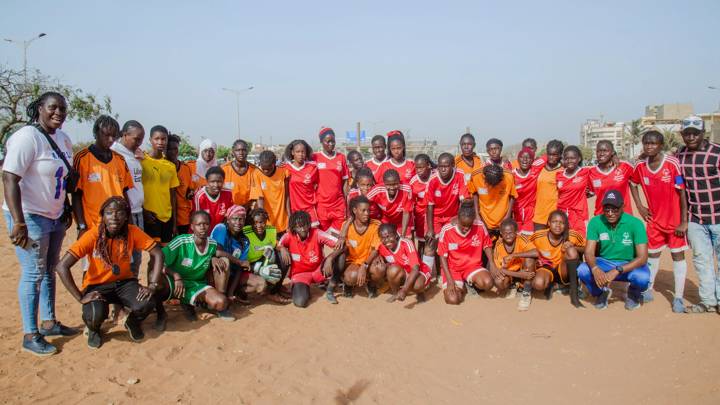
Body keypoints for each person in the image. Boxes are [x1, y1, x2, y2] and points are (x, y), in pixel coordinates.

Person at [3, 92, 79, 356]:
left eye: (62, 109)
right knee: (33, 273)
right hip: (30, 215)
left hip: (55, 215)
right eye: (52, 107)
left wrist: (66, 207)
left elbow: (65, 178)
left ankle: (49, 323)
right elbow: (10, 178)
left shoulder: (64, 139)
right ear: (39, 109)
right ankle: (30, 333)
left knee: (49, 269)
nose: (58, 112)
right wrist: (19, 222)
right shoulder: (27, 137)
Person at [55, 197, 163, 349]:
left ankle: (131, 321)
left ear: (126, 216)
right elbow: (62, 266)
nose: (114, 216)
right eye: (109, 212)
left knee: (147, 301)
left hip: (124, 283)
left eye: (119, 212)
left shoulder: (132, 232)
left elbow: (158, 253)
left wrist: (152, 285)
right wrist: (80, 297)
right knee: (94, 315)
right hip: (97, 286)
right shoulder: (93, 235)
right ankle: (94, 330)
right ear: (103, 216)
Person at [629, 130, 688, 312]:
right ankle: (649, 289)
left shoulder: (672, 163)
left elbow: (682, 191)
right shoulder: (640, 166)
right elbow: (632, 183)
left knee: (677, 256)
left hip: (674, 221)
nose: (649, 146)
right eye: (646, 143)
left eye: (653, 143)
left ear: (661, 145)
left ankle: (678, 297)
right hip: (654, 220)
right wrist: (639, 205)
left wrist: (683, 220)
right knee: (652, 255)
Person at [155, 210, 243, 322]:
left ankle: (188, 302)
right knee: (156, 278)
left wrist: (215, 258)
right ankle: (160, 313)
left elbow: (221, 253)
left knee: (221, 302)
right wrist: (175, 275)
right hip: (174, 281)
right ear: (192, 226)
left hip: (196, 285)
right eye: (198, 224)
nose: (202, 227)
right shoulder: (181, 241)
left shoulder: (212, 244)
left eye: (206, 224)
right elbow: (157, 261)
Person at [675, 116, 720, 314]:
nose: (691, 136)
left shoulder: (717, 154)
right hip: (696, 219)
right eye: (687, 133)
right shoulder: (680, 156)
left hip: (718, 216)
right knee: (702, 260)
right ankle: (708, 301)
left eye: (695, 133)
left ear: (704, 133)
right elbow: (680, 187)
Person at [577, 190, 650, 310]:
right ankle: (601, 293)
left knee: (642, 278)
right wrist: (595, 268)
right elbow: (589, 252)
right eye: (607, 209)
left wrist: (618, 270)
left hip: (628, 263)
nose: (610, 213)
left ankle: (633, 294)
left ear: (623, 207)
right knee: (582, 270)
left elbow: (642, 257)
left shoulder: (636, 223)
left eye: (615, 209)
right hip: (604, 262)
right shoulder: (595, 222)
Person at [72, 115, 133, 234]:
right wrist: (82, 226)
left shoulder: (120, 160)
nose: (111, 139)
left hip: (117, 225)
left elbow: (124, 193)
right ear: (96, 134)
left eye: (114, 136)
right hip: (93, 226)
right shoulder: (82, 158)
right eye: (106, 135)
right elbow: (76, 195)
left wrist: (128, 221)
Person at [211, 205, 283, 304]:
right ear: (228, 219)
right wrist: (239, 262)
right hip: (214, 272)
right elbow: (217, 252)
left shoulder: (244, 241)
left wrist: (231, 293)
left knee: (261, 284)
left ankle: (233, 294)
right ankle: (220, 300)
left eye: (241, 219)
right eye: (235, 219)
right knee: (225, 261)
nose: (238, 222)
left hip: (232, 274)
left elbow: (240, 268)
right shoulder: (221, 228)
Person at [512, 210, 585, 307]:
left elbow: (587, 248)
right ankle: (532, 289)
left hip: (563, 269)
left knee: (571, 251)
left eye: (562, 223)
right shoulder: (538, 236)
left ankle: (574, 289)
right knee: (538, 283)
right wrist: (535, 261)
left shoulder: (573, 235)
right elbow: (525, 249)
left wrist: (573, 247)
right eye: (554, 222)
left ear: (566, 225)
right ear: (549, 223)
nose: (558, 225)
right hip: (546, 267)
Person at [278, 210, 342, 307]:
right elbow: (278, 245)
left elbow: (341, 245)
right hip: (300, 275)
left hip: (320, 270)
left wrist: (330, 258)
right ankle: (302, 289)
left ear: (309, 224)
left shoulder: (317, 233)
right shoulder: (289, 236)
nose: (303, 229)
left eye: (305, 225)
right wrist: (282, 248)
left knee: (340, 256)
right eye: (299, 226)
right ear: (294, 228)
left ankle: (331, 286)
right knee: (300, 302)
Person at [437, 201, 497, 305]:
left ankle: (468, 283)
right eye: (463, 225)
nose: (466, 228)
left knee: (488, 283)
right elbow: (442, 257)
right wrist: (450, 280)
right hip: (453, 269)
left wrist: (492, 264)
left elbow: (487, 245)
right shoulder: (447, 230)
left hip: (472, 266)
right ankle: (462, 286)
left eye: (469, 225)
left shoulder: (479, 226)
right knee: (453, 299)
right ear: (457, 219)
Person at [111, 120, 146, 272]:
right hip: (125, 215)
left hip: (138, 212)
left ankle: (132, 287)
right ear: (125, 135)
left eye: (141, 140)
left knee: (136, 256)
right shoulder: (115, 154)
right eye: (136, 139)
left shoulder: (133, 156)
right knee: (123, 256)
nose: (139, 143)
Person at [339, 196, 385, 298]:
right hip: (353, 261)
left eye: (368, 210)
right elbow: (342, 246)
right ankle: (347, 284)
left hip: (369, 260)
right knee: (351, 277)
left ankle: (370, 283)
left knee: (380, 268)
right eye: (363, 210)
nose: (367, 213)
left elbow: (375, 250)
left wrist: (364, 265)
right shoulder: (346, 226)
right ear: (355, 210)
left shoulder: (376, 225)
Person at [379, 223, 436, 303]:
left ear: (395, 235)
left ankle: (420, 292)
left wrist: (404, 290)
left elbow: (415, 269)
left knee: (417, 285)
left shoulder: (406, 243)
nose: (386, 240)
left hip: (420, 271)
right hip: (404, 272)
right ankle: (395, 293)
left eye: (388, 236)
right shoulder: (382, 247)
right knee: (392, 270)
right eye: (383, 238)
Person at [141, 125, 179, 244]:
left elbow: (173, 195)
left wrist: (174, 222)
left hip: (167, 217)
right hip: (151, 217)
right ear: (150, 140)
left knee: (164, 254)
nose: (160, 142)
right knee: (155, 254)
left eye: (163, 139)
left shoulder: (170, 166)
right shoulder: (141, 161)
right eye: (157, 139)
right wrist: (143, 210)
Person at [243, 207, 290, 302]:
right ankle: (241, 293)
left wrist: (283, 248)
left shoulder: (271, 230)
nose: (258, 225)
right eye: (255, 222)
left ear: (266, 221)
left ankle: (274, 290)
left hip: (262, 260)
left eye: (261, 222)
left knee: (282, 257)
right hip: (247, 265)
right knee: (265, 268)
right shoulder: (245, 232)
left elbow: (276, 244)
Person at [491, 219, 536, 311]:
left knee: (530, 258)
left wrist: (514, 255)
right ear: (501, 233)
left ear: (516, 232)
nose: (508, 235)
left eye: (511, 233)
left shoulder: (521, 239)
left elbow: (536, 253)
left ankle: (526, 293)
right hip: (511, 272)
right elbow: (500, 270)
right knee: (499, 282)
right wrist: (520, 275)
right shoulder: (498, 244)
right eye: (505, 233)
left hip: (524, 268)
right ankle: (513, 285)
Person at [312, 128, 349, 234]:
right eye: (328, 141)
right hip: (322, 206)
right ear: (321, 142)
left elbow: (345, 182)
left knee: (337, 238)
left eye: (333, 141)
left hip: (338, 205)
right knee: (324, 238)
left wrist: (346, 203)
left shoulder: (341, 157)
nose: (331, 144)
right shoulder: (315, 157)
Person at [425, 153, 470, 240]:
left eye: (446, 166)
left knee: (453, 242)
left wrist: (458, 217)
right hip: (435, 217)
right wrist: (430, 229)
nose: (443, 169)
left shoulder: (459, 174)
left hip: (452, 216)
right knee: (431, 244)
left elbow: (464, 200)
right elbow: (429, 206)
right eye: (440, 166)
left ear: (453, 165)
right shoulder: (432, 180)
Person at [467, 162, 517, 236]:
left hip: (503, 219)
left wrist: (508, 215)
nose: (493, 187)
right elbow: (474, 193)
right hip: (484, 219)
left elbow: (513, 195)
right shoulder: (476, 176)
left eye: (495, 184)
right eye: (491, 184)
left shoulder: (508, 176)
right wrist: (477, 215)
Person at [588, 140, 634, 215]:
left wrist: (640, 206)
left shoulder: (624, 166)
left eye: (605, 151)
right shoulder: (591, 172)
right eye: (598, 151)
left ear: (612, 152)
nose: (601, 154)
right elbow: (590, 192)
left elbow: (636, 179)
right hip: (602, 216)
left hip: (623, 215)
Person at [250, 150, 291, 234]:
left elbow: (287, 196)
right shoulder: (256, 174)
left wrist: (289, 216)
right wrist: (262, 216)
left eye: (268, 169)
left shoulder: (284, 172)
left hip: (282, 221)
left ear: (274, 164)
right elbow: (259, 197)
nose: (265, 171)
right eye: (263, 168)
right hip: (266, 222)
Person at [367, 169, 413, 237]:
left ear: (399, 181)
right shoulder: (377, 190)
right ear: (384, 183)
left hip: (402, 221)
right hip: (385, 220)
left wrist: (403, 236)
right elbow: (363, 203)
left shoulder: (406, 189)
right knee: (385, 240)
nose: (392, 187)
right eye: (388, 185)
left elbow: (406, 213)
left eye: (395, 184)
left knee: (406, 240)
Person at [556, 145, 591, 234]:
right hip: (562, 215)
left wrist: (588, 193)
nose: (569, 161)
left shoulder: (586, 172)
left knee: (581, 244)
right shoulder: (558, 175)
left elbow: (595, 188)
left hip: (579, 216)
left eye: (572, 158)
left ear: (579, 159)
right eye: (566, 158)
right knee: (563, 243)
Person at [284, 139, 319, 226]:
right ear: (292, 152)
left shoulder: (312, 167)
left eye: (303, 152)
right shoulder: (285, 168)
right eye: (298, 151)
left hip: (309, 209)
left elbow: (317, 185)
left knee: (314, 234)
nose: (301, 154)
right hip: (294, 210)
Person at [532, 140, 564, 230]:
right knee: (538, 242)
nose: (551, 157)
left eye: (555, 155)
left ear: (560, 155)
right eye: (549, 154)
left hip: (554, 214)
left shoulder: (562, 171)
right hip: (539, 214)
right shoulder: (540, 168)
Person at [166, 134, 193, 234]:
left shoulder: (186, 168)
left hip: (183, 217)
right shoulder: (161, 167)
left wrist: (190, 193)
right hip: (166, 216)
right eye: (169, 149)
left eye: (175, 149)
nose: (173, 152)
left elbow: (189, 189)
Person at [512, 147, 540, 235]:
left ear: (532, 160)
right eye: (522, 157)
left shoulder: (535, 172)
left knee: (528, 241)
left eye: (528, 158)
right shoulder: (511, 175)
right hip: (515, 215)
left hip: (530, 215)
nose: (525, 160)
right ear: (518, 159)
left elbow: (547, 157)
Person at [221, 139, 256, 210]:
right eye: (238, 150)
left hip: (248, 210)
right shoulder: (223, 169)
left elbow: (256, 195)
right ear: (233, 152)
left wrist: (243, 208)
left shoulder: (254, 170)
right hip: (228, 211)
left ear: (247, 152)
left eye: (244, 150)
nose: (241, 153)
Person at [409, 154, 434, 252]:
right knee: (421, 242)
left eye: (421, 167)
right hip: (421, 215)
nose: (418, 170)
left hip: (435, 214)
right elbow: (411, 202)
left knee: (434, 242)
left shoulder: (435, 177)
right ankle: (421, 264)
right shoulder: (414, 182)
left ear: (428, 165)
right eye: (417, 168)